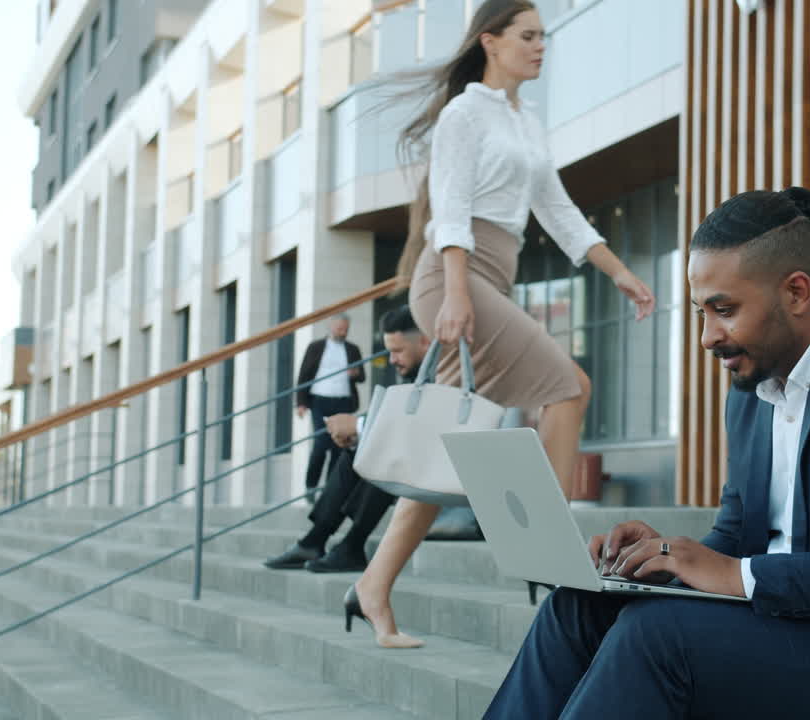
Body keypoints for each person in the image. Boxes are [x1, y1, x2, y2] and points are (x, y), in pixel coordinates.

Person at [485, 188, 810, 719]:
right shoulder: (750, 394)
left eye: (724, 310)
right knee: (576, 608)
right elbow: (739, 537)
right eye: (701, 312)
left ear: (795, 291)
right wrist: (664, 558)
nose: (707, 337)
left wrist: (738, 576)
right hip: (801, 632)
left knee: (657, 635)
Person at [343, 0, 656, 650]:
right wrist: (457, 293)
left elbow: (558, 209)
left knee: (443, 442)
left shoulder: (525, 120)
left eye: (543, 36)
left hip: (491, 280)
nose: (541, 46)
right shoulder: (465, 113)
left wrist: (619, 270)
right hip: (455, 277)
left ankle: (373, 584)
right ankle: (552, 551)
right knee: (569, 387)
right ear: (490, 40)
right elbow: (452, 204)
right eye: (528, 35)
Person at [264, 307, 429, 572]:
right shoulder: (416, 371)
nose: (391, 360)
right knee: (355, 450)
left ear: (424, 341)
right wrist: (357, 434)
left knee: (383, 452)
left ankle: (352, 545)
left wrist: (360, 425)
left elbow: (419, 426)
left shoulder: (446, 368)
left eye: (397, 351)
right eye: (389, 351)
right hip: (326, 403)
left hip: (441, 463)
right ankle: (315, 538)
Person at [295, 314, 365, 498]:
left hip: (343, 401)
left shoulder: (353, 349)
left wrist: (355, 374)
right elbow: (304, 375)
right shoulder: (316, 347)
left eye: (345, 329)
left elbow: (362, 376)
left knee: (339, 447)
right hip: (320, 400)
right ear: (331, 327)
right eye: (339, 328)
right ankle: (311, 487)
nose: (343, 332)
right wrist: (301, 403)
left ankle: (329, 490)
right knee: (321, 444)